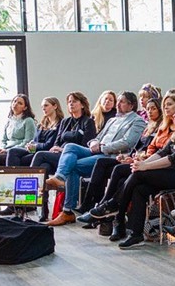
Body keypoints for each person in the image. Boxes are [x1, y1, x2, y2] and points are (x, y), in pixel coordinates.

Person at [105, 101, 175, 249]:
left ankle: (115, 207)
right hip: (171, 174)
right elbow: (162, 153)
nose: (174, 115)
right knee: (139, 189)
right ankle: (136, 233)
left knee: (138, 175)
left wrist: (145, 166)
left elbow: (173, 159)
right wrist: (142, 163)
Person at [44, 92, 146, 226]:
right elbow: (97, 137)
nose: (117, 104)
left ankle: (67, 211)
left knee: (73, 166)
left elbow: (128, 142)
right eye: (118, 101)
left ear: (131, 105)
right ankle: (60, 177)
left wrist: (103, 147)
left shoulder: (137, 121)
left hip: (111, 155)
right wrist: (93, 143)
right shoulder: (112, 120)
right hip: (96, 150)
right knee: (70, 147)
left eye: (121, 102)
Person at [29, 92, 96, 176]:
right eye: (69, 102)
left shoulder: (88, 121)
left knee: (40, 155)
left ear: (82, 105)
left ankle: (27, 181)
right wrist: (55, 148)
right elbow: (57, 141)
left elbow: (86, 145)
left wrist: (62, 149)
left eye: (74, 101)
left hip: (73, 155)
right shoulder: (65, 121)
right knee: (45, 166)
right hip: (59, 154)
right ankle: (39, 185)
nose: (71, 104)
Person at [3, 96, 57, 167]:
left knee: (14, 152)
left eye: (46, 105)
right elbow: (34, 140)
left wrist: (34, 145)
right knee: (10, 152)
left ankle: (16, 173)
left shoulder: (60, 124)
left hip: (44, 151)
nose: (43, 108)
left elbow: (48, 145)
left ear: (55, 106)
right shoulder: (41, 124)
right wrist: (31, 145)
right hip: (33, 150)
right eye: (42, 107)